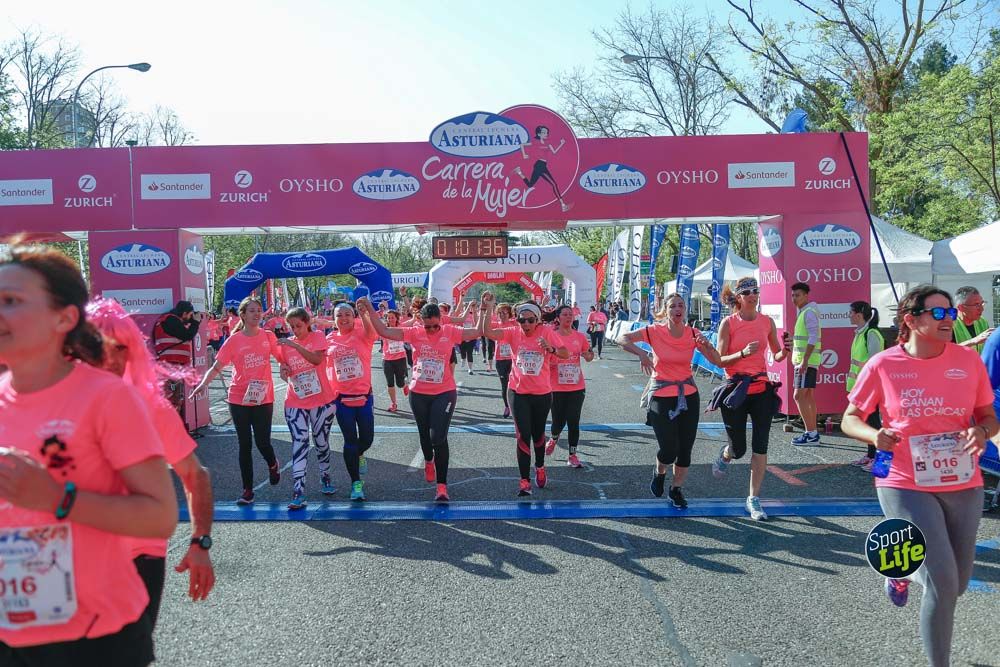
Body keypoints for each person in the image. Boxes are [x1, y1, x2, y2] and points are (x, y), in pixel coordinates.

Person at [0, 242, 176, 665]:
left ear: (65, 317)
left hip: (98, 638)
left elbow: (160, 515)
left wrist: (58, 500)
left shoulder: (107, 399)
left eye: (11, 301)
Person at [842, 285, 996, 667]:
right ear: (912, 320)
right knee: (943, 583)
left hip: (963, 479)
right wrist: (874, 435)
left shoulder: (968, 361)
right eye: (939, 314)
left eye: (951, 314)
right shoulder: (884, 364)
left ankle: (902, 570)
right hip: (900, 477)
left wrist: (982, 431)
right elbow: (850, 420)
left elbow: (989, 416)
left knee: (957, 584)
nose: (949, 320)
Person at [86, 297, 215, 627]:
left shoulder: (151, 408)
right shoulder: (55, 405)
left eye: (121, 348)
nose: (112, 359)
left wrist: (201, 541)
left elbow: (194, 475)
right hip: (77, 555)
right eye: (101, 347)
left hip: (141, 555)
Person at [361, 298, 480, 501]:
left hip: (444, 392)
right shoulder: (415, 332)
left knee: (438, 437)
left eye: (436, 326)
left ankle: (442, 486)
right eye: (428, 326)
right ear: (421, 322)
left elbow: (476, 332)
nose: (432, 330)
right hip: (419, 393)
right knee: (424, 434)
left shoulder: (450, 331)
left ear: (441, 321)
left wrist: (485, 309)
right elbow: (385, 332)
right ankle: (428, 460)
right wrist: (371, 309)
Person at [619, 293, 723, 508]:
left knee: (685, 448)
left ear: (685, 311)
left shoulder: (694, 333)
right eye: (673, 306)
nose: (677, 309)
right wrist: (642, 354)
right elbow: (622, 338)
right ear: (665, 311)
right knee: (669, 448)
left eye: (681, 306)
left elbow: (717, 361)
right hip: (662, 393)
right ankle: (659, 471)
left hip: (688, 394)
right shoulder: (654, 331)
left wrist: (708, 347)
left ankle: (676, 489)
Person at [710, 276, 791, 520]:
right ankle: (726, 454)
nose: (753, 296)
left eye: (755, 291)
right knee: (739, 449)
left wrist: (785, 350)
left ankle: (753, 499)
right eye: (747, 293)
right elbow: (719, 360)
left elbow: (777, 355)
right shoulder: (729, 323)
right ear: (739, 298)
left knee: (761, 445)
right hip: (735, 390)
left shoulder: (767, 321)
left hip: (761, 389)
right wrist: (743, 353)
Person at [190, 297, 283, 505]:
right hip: (238, 397)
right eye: (252, 311)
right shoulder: (234, 340)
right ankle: (247, 490)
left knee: (263, 442)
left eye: (259, 310)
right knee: (244, 444)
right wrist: (203, 384)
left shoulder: (268, 336)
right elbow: (216, 367)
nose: (256, 314)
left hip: (262, 397)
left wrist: (289, 369)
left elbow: (281, 358)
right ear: (243, 314)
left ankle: (273, 464)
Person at [482, 296, 569, 496]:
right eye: (522, 320)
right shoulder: (513, 332)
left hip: (541, 393)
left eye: (530, 320)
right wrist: (487, 308)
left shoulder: (547, 332)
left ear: (537, 320)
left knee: (538, 436)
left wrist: (551, 349)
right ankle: (524, 481)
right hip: (517, 392)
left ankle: (539, 466)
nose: (526, 324)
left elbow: (565, 353)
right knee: (522, 435)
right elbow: (487, 332)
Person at [276, 307, 338, 509]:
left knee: (321, 442)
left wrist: (294, 346)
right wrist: (284, 371)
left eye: (298, 326)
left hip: (321, 401)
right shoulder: (286, 345)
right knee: (300, 442)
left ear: (307, 323)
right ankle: (298, 490)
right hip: (295, 401)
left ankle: (325, 475)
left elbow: (316, 359)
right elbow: (284, 370)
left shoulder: (318, 336)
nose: (295, 330)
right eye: (292, 327)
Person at [326, 302, 377, 501]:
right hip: (341, 399)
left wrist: (364, 314)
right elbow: (318, 362)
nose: (344, 318)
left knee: (367, 439)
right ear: (334, 319)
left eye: (348, 314)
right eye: (340, 315)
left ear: (353, 316)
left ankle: (360, 453)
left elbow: (372, 331)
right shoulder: (329, 339)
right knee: (349, 441)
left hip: (364, 397)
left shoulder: (362, 334)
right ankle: (356, 483)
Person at [543, 305, 595, 469]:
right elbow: (544, 357)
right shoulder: (551, 336)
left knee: (574, 420)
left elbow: (589, 356)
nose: (568, 317)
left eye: (570, 315)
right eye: (565, 314)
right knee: (558, 421)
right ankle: (554, 437)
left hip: (576, 386)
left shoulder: (579, 337)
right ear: (558, 317)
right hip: (556, 386)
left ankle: (572, 455)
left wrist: (588, 355)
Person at [846, 300, 885, 470]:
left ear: (859, 315)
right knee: (868, 422)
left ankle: (878, 457)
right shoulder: (861, 333)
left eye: (850, 312)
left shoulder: (871, 333)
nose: (849, 315)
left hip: (871, 387)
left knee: (873, 422)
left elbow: (874, 362)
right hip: (861, 386)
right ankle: (870, 455)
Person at [152, 299, 202, 419]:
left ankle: (173, 426)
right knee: (170, 399)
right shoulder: (170, 320)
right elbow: (187, 335)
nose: (190, 318)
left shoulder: (171, 320)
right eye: (190, 315)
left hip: (173, 366)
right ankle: (168, 427)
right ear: (184, 313)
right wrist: (195, 323)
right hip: (169, 366)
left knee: (176, 399)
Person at [511, 125, 572, 212]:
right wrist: (524, 154)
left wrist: (561, 144)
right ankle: (563, 205)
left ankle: (519, 172)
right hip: (539, 165)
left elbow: (554, 152)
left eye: (546, 132)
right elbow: (522, 145)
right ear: (539, 134)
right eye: (543, 132)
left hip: (543, 165)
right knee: (554, 184)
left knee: (530, 185)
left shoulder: (548, 143)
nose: (546, 133)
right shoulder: (535, 142)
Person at [790, 281, 822, 444]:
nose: (794, 298)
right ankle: (813, 432)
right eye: (793, 295)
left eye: (798, 295)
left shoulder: (808, 312)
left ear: (806, 296)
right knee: (808, 396)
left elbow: (813, 337)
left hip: (806, 362)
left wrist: (804, 360)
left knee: (799, 395)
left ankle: (810, 433)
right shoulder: (805, 311)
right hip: (808, 361)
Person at [379, 309, 409, 412]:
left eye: (392, 317)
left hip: (400, 359)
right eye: (388, 317)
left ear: (396, 318)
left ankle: (405, 384)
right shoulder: (384, 329)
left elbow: (411, 322)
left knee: (400, 383)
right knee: (390, 383)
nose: (390, 319)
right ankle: (394, 404)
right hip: (387, 360)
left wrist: (414, 317)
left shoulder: (401, 328)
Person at [951, 286, 994, 352]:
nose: (981, 309)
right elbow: (947, 351)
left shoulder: (982, 322)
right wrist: (973, 341)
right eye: (976, 305)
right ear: (961, 307)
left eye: (982, 303)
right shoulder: (950, 324)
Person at [494, 303, 517, 418]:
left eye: (504, 312)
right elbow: (483, 325)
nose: (502, 315)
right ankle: (507, 406)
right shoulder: (495, 324)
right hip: (500, 359)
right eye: (500, 313)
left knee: (515, 383)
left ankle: (516, 406)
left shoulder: (514, 324)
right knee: (505, 385)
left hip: (513, 358)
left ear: (509, 314)